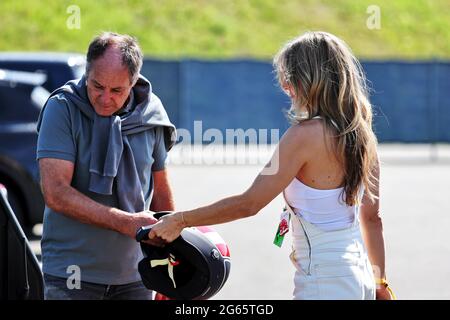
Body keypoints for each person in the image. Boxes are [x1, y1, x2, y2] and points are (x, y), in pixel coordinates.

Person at [148, 31, 395, 300]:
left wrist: (181, 220)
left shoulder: (302, 136)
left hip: (324, 282)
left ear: (309, 80)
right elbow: (372, 219)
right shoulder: (363, 135)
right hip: (360, 278)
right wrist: (380, 282)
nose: (287, 89)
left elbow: (249, 203)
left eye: (290, 80)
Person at [36, 32, 176, 300]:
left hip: (138, 276)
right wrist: (127, 223)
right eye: (97, 86)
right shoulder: (62, 108)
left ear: (133, 83)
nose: (104, 98)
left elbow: (161, 195)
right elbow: (55, 192)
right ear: (87, 73)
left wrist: (169, 263)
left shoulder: (151, 114)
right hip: (72, 276)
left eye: (116, 90)